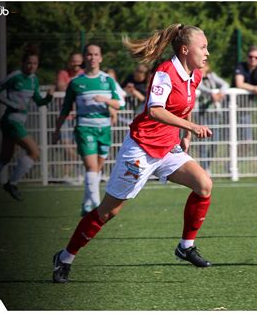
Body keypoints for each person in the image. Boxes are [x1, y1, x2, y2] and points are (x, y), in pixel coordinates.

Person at [52, 24, 214, 283]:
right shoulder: (165, 72)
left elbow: (186, 104)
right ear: (185, 49)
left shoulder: (195, 73)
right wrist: (191, 127)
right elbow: (154, 111)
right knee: (108, 211)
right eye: (203, 47)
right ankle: (65, 257)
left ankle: (185, 246)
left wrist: (184, 134)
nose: (207, 52)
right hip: (141, 148)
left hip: (167, 148)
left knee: (204, 185)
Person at [52, 44, 125, 216]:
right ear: (85, 58)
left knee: (97, 169)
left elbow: (120, 104)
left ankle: (86, 205)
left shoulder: (107, 80)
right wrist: (56, 130)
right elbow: (65, 109)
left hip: (105, 129)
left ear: (101, 58)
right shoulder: (76, 82)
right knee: (92, 168)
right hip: (85, 129)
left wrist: (105, 100)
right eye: (89, 54)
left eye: (96, 54)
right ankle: (98, 207)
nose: (92, 58)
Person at [0, 48, 54, 202]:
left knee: (4, 157)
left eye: (35, 63)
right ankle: (12, 183)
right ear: (23, 63)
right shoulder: (15, 76)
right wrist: (11, 104)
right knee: (34, 152)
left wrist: (49, 98)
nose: (31, 66)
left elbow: (38, 101)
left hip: (16, 122)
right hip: (11, 121)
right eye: (29, 63)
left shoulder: (33, 79)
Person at [55, 52, 84, 185]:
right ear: (69, 62)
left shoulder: (84, 73)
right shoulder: (63, 73)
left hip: (80, 117)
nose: (76, 64)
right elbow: (61, 87)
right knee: (67, 147)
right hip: (66, 117)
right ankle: (79, 167)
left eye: (78, 61)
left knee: (79, 146)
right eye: (73, 61)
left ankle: (70, 175)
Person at [196, 61, 229, 173]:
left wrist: (220, 93)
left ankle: (208, 165)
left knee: (215, 141)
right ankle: (204, 168)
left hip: (214, 113)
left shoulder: (211, 76)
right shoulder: (195, 76)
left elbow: (225, 84)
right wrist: (211, 93)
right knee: (203, 143)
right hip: (202, 113)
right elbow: (199, 86)